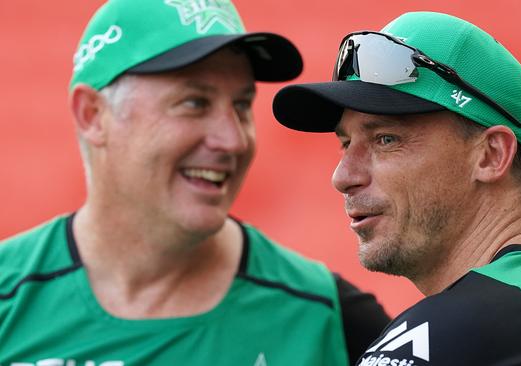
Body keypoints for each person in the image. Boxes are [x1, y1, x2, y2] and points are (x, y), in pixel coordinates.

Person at [0, 0, 390, 364]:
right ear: (93, 116)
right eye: (194, 103)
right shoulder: (9, 297)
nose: (233, 140)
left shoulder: (329, 319)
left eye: (241, 106)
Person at [273, 11, 521, 366]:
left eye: (385, 139)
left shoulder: (450, 335)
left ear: (490, 156)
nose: (343, 176)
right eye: (345, 143)